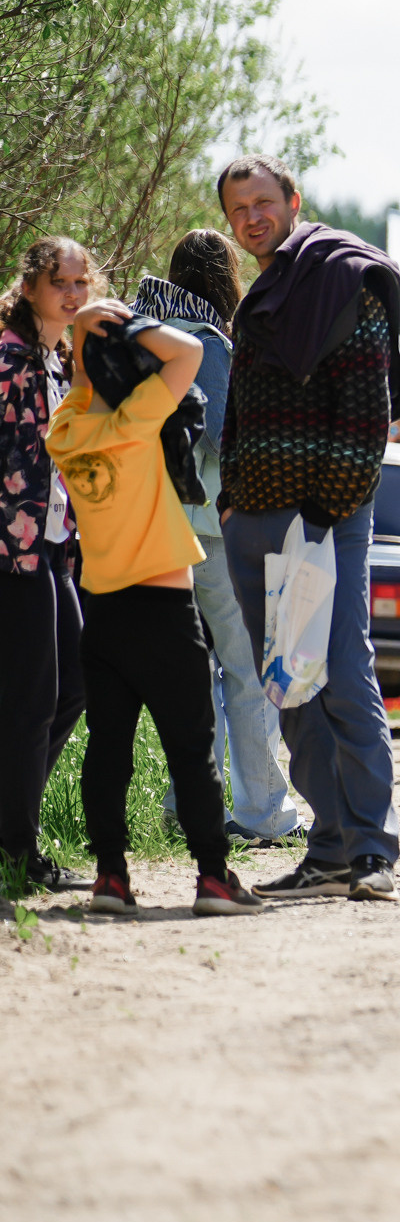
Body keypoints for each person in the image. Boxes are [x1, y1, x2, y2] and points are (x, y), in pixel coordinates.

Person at [217, 156, 400, 902]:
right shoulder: (262, 293)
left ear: (293, 200)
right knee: (289, 687)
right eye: (238, 209)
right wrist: (234, 504)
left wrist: (328, 510)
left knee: (341, 675)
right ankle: (329, 845)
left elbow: (370, 411)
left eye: (263, 202)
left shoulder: (345, 278)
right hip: (257, 520)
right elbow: (241, 409)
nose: (251, 218)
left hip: (323, 520)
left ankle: (373, 848)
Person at [49, 298, 263, 915]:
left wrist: (86, 344)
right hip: (165, 612)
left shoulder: (65, 430)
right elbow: (190, 352)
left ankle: (111, 878)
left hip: (103, 609)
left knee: (108, 748)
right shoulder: (135, 422)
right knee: (192, 750)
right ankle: (214, 879)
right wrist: (128, 322)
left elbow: (85, 383)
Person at [135, 231, 301, 844]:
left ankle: (187, 809)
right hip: (212, 529)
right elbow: (228, 441)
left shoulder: (138, 334)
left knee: (190, 675)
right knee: (247, 669)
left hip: (149, 530)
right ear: (224, 279)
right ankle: (264, 813)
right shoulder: (207, 343)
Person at [0, 236, 92, 893]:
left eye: (83, 282)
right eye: (62, 281)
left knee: (74, 686)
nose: (74, 293)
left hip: (55, 548)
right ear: (31, 283)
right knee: (32, 702)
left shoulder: (59, 360)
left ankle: (11, 829)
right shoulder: (8, 360)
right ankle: (17, 852)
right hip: (12, 552)